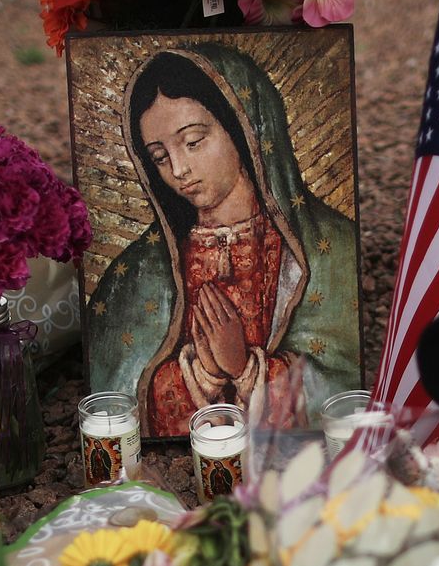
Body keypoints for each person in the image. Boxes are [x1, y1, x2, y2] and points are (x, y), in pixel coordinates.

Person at [86, 45, 360, 437]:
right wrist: (206, 373)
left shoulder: (333, 247)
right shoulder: (138, 276)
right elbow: (116, 395)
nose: (179, 170)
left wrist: (245, 368)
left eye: (194, 141)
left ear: (244, 129)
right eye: (160, 157)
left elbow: (345, 385)